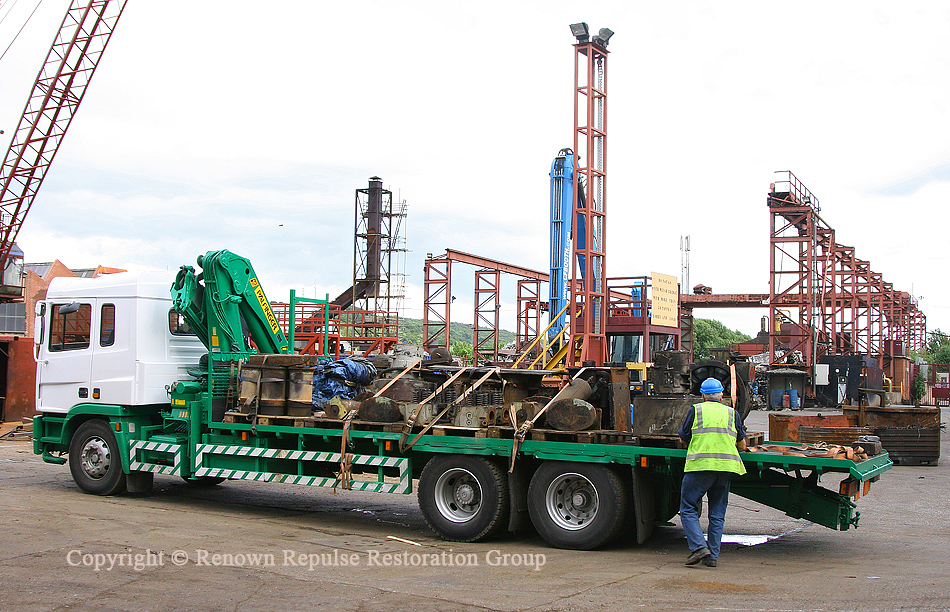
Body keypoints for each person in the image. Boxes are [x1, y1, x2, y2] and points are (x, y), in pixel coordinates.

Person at [678, 377, 747, 568]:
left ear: (703, 396)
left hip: (700, 466)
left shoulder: (696, 411)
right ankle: (712, 557)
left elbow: (683, 439)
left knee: (688, 507)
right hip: (725, 469)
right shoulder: (732, 413)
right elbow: (742, 444)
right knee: (717, 514)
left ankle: (699, 547)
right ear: (722, 395)